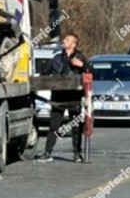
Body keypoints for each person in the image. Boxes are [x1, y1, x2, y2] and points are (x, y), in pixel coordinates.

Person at [37, 33, 89, 163]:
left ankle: (77, 154)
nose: (64, 41)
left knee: (76, 127)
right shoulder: (56, 58)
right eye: (64, 39)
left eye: (67, 40)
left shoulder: (81, 57)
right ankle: (47, 153)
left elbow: (90, 73)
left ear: (73, 44)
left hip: (74, 97)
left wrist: (82, 66)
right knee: (53, 126)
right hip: (58, 97)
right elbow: (45, 74)